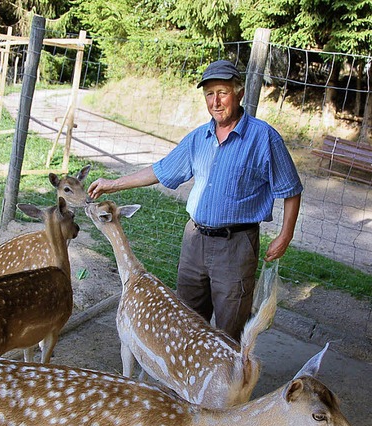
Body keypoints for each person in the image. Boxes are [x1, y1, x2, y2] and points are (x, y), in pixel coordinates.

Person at [87, 59, 303, 341]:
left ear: (238, 93)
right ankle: (185, 383)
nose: (215, 101)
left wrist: (285, 235)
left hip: (235, 247)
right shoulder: (198, 138)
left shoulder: (264, 138)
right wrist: (112, 184)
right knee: (187, 321)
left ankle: (228, 383)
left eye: (222, 93)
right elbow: (161, 170)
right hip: (195, 242)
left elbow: (291, 189)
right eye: (209, 94)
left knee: (229, 329)